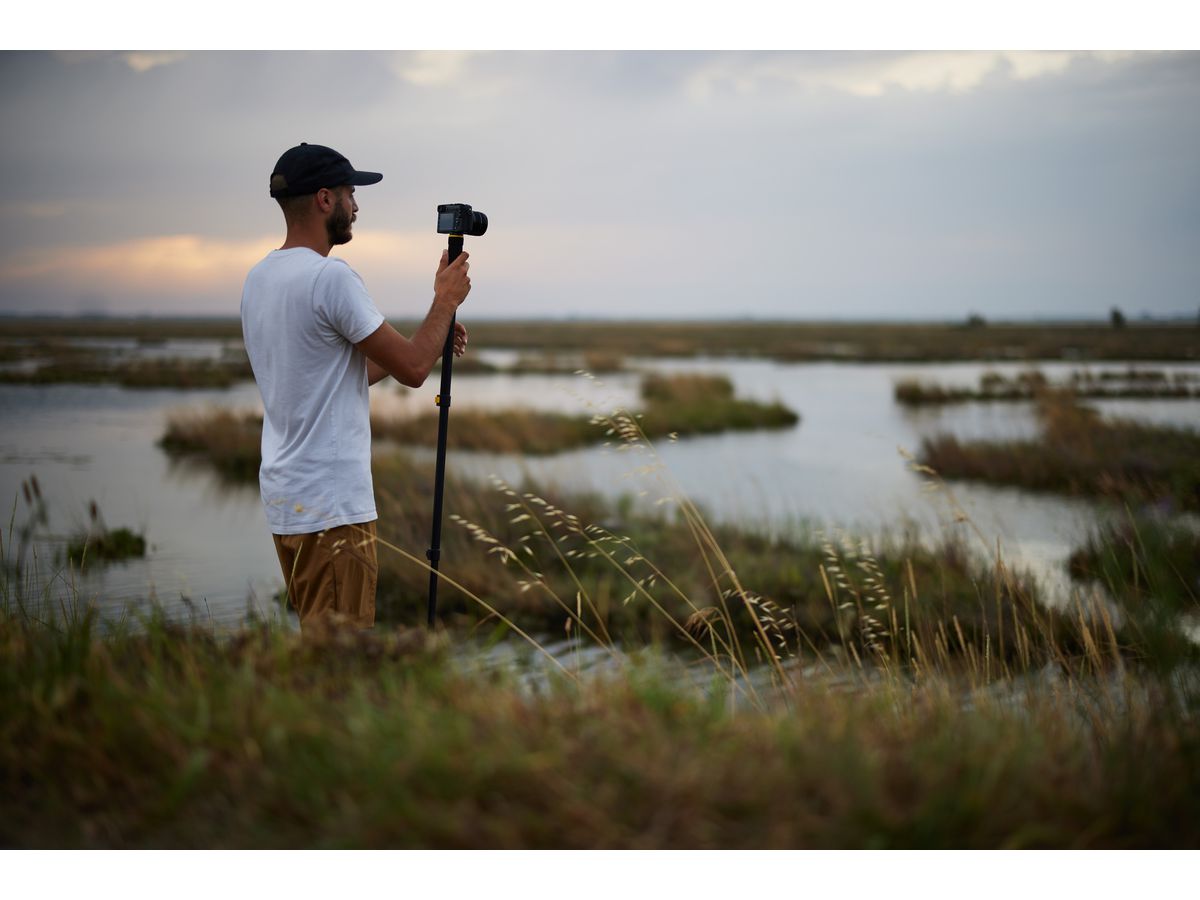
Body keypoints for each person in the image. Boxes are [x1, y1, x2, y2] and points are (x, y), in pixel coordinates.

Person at [240, 142, 472, 632]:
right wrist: (444, 302)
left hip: (289, 500)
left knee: (319, 643)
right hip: (332, 509)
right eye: (350, 193)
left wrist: (430, 333)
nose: (356, 205)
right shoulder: (331, 278)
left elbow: (346, 373)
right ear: (324, 199)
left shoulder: (260, 279)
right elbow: (412, 370)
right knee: (342, 665)